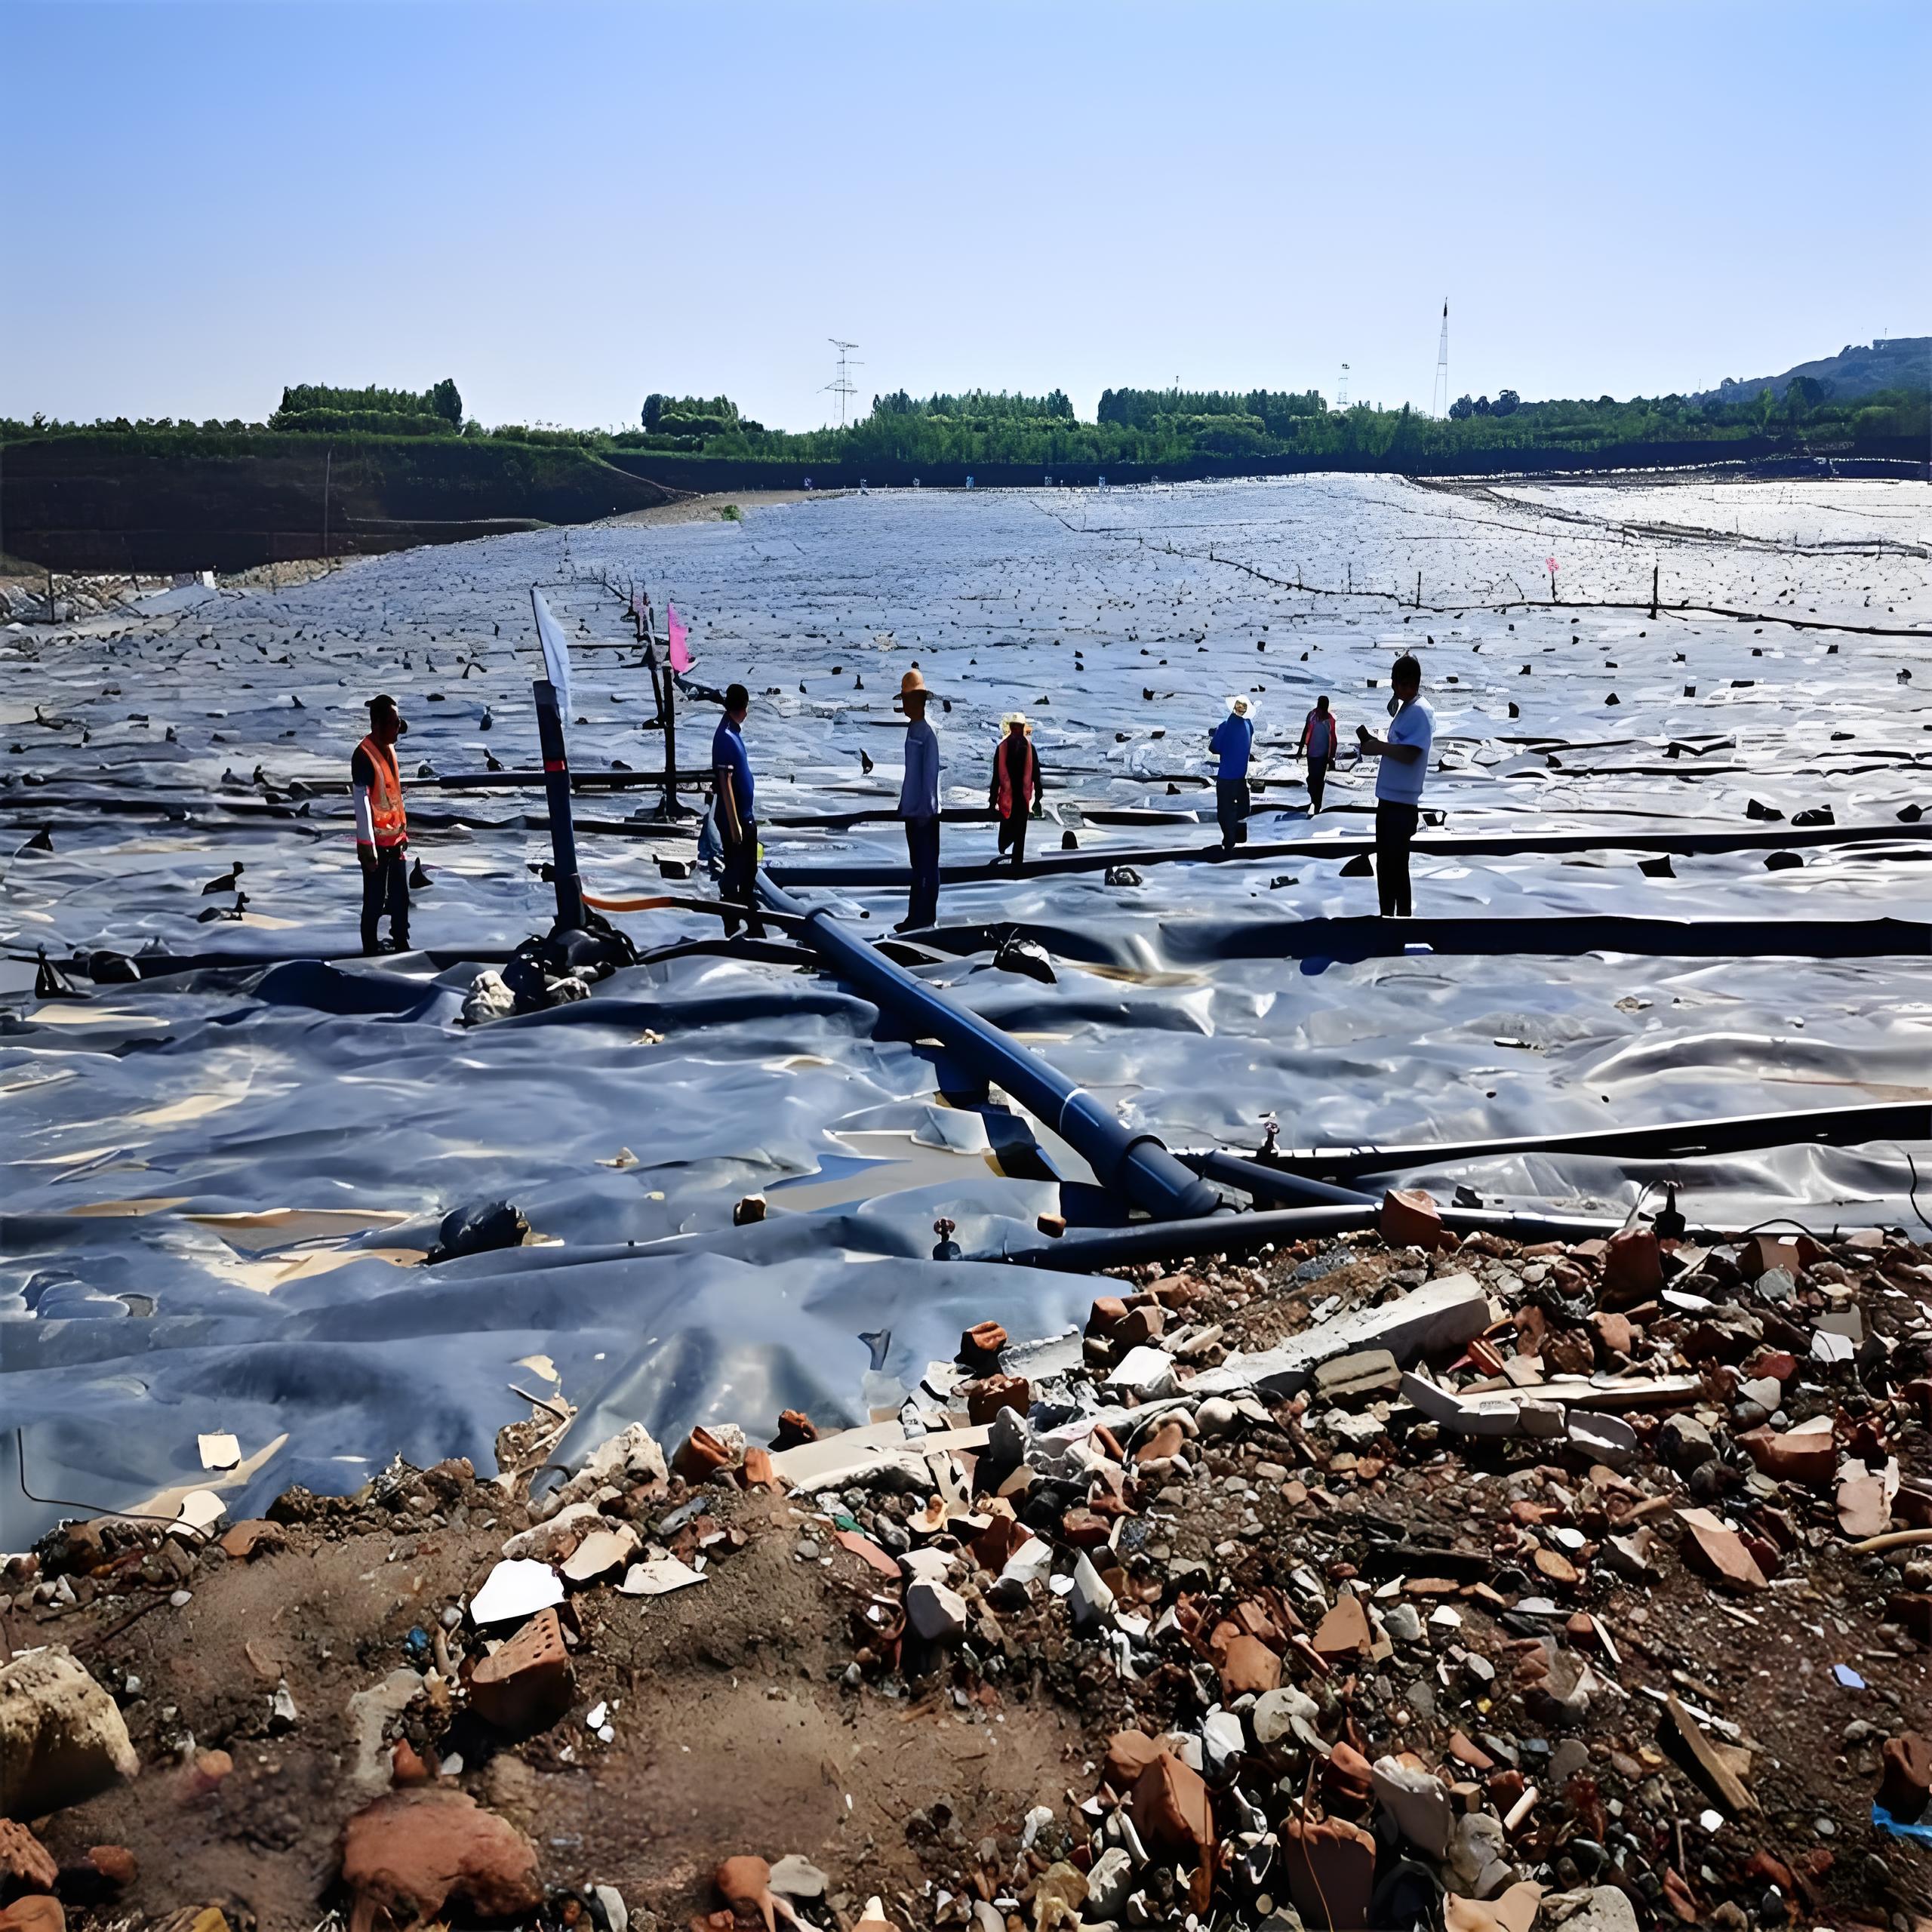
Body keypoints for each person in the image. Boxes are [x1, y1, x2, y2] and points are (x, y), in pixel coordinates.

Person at [1356, 653, 1434, 917]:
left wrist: (1378, 747)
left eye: (1399, 683)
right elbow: (1402, 746)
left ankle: (1397, 921)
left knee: (1394, 867)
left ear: (1411, 684)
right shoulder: (1409, 708)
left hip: (1400, 803)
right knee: (1391, 866)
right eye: (1397, 683)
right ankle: (1390, 917)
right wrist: (1378, 744)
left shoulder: (1419, 711)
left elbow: (1411, 753)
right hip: (1393, 799)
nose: (1397, 687)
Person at [353, 694, 411, 953]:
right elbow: (362, 801)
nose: (399, 728)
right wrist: (367, 845)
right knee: (375, 901)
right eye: (394, 723)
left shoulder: (390, 749)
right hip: (376, 844)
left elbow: (393, 796)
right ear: (377, 724)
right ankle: (369, 950)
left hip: (396, 841)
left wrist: (403, 833)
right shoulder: (363, 755)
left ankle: (401, 943)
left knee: (400, 899)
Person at [712, 682, 764, 938]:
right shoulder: (726, 737)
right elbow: (725, 784)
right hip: (737, 819)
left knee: (748, 871)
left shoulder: (732, 731)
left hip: (744, 815)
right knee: (738, 870)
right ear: (742, 708)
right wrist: (735, 827)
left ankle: (746, 919)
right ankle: (736, 924)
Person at [896, 668, 941, 930]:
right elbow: (911, 774)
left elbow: (929, 777)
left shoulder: (927, 733)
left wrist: (926, 809)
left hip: (924, 814)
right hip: (912, 811)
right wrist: (905, 804)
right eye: (904, 699)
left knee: (927, 868)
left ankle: (926, 918)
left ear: (919, 701)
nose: (904, 704)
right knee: (918, 866)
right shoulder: (913, 729)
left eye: (907, 699)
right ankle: (915, 916)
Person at [989, 712, 1042, 868]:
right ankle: (1009, 859)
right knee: (1006, 837)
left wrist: (1038, 798)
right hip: (1007, 798)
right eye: (1013, 726)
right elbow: (996, 777)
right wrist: (992, 801)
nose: (1015, 729)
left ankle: (1016, 867)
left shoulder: (1030, 749)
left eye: (1018, 726)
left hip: (1022, 798)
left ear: (1022, 727)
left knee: (1020, 836)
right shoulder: (1002, 748)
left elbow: (1036, 774)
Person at [1208, 693, 1256, 851]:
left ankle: (1229, 839)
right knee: (1241, 808)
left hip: (1226, 776)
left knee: (1224, 810)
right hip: (1241, 775)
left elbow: (1214, 747)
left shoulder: (1225, 726)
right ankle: (1238, 836)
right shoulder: (1249, 725)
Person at [1299, 694, 1337, 813]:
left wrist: (1331, 756)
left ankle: (1316, 805)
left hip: (1321, 755)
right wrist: (1300, 749)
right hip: (1313, 754)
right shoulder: (1313, 716)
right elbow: (1306, 731)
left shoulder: (1328, 720)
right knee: (1314, 779)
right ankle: (1314, 801)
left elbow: (1333, 738)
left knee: (1318, 780)